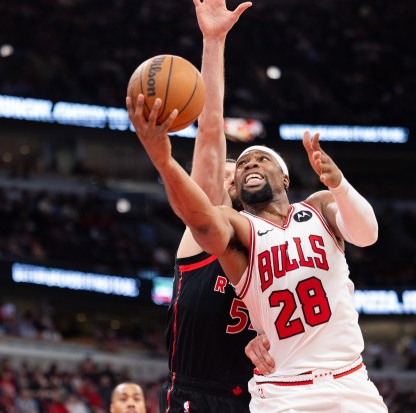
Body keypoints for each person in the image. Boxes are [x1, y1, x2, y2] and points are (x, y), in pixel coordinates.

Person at [126, 92, 388, 411]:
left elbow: (367, 234)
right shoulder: (240, 228)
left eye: (261, 159)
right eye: (244, 164)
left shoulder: (319, 206)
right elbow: (202, 220)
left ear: (285, 177)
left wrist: (340, 186)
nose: (250, 163)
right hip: (285, 391)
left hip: (351, 379)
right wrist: (163, 161)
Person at [160, 1, 273, 413]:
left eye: (238, 170)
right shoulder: (207, 227)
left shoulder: (277, 244)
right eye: (226, 170)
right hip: (198, 392)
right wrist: (213, 42)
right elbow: (209, 133)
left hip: (260, 395)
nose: (230, 175)